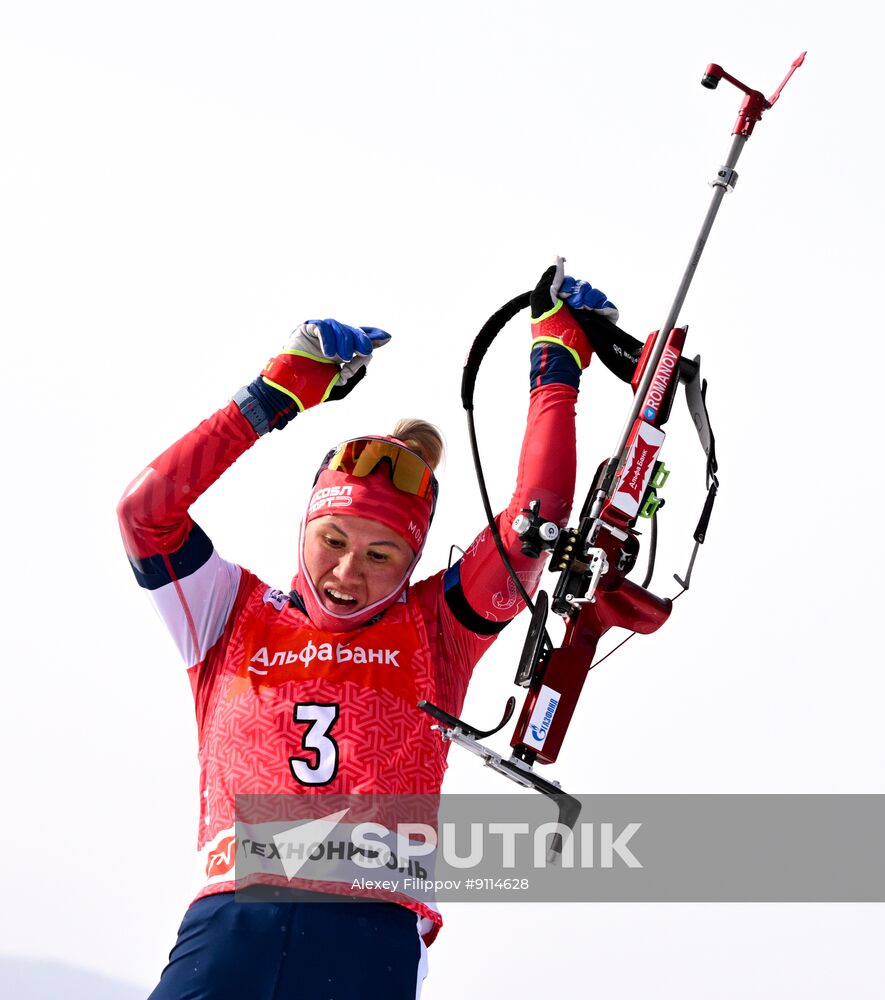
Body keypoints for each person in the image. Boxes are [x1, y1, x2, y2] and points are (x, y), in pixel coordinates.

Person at [117, 262, 618, 1000]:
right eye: (332, 541)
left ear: (411, 561)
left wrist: (556, 365)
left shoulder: (436, 625)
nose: (348, 572)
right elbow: (145, 513)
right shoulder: (229, 610)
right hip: (232, 924)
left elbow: (533, 521)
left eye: (381, 555)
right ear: (304, 530)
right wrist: (274, 394)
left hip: (369, 933)